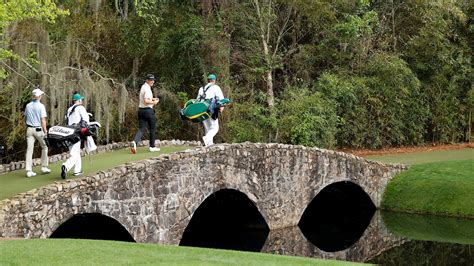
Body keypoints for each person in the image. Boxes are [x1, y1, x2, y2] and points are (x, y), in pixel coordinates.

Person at [61, 93, 89, 179]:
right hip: (77, 132)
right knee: (75, 153)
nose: (82, 101)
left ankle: (77, 170)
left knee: (75, 151)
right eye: (81, 99)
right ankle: (66, 166)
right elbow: (86, 120)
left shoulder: (69, 109)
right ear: (79, 100)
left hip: (68, 132)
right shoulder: (81, 108)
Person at [130, 74, 160, 154]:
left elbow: (145, 99)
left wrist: (153, 98)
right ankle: (152, 146)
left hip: (141, 111)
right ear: (146, 80)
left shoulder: (144, 87)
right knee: (152, 128)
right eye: (150, 80)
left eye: (153, 80)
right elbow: (146, 101)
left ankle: (134, 142)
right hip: (148, 111)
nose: (152, 81)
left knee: (141, 128)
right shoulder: (147, 88)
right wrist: (154, 102)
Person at [24, 88, 51, 177]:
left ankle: (28, 170)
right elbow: (43, 120)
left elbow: (26, 117)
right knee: (44, 146)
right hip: (38, 129)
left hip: (29, 130)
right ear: (39, 96)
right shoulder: (41, 106)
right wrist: (45, 130)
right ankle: (44, 167)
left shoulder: (28, 105)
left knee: (29, 149)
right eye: (41, 95)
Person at [197, 74, 225, 146]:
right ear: (214, 80)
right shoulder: (216, 87)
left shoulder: (201, 88)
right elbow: (221, 99)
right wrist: (221, 107)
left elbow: (197, 100)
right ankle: (206, 139)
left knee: (207, 128)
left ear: (208, 80)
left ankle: (209, 144)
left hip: (202, 110)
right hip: (211, 110)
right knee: (215, 128)